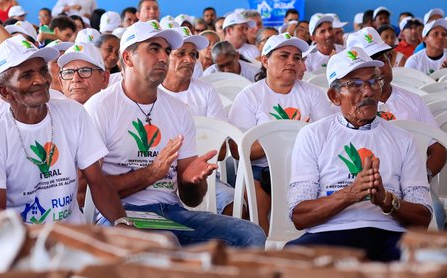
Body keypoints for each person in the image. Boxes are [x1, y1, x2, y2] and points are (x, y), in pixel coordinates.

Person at [85, 21, 265, 246]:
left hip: (171, 212)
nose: (163, 57)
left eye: (167, 51)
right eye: (153, 49)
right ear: (128, 58)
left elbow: (191, 198)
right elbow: (90, 188)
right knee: (166, 242)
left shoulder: (178, 110)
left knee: (251, 235)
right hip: (120, 215)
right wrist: (151, 173)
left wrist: (193, 181)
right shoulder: (100, 107)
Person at [287, 48, 431, 261]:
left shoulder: (403, 139)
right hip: (329, 234)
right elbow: (300, 216)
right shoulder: (313, 135)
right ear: (334, 96)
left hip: (391, 234)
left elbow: (423, 218)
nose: (368, 92)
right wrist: (350, 194)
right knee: (292, 258)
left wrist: (386, 200)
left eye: (374, 82)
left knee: (434, 259)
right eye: (354, 84)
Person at [0, 36, 125, 225]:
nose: (41, 80)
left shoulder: (73, 113)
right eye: (27, 75)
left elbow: (98, 183)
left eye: (43, 70)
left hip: (73, 236)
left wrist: (122, 222)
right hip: (24, 241)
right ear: (4, 92)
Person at [229, 33, 336, 234]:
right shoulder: (249, 96)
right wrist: (285, 138)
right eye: (284, 56)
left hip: (306, 169)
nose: (291, 62)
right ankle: (265, 245)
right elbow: (238, 150)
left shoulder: (312, 94)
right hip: (262, 171)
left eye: (297, 58)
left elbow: (328, 140)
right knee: (252, 187)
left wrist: (281, 136)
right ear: (265, 61)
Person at [348, 26, 447, 229]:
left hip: (411, 186)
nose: (378, 69)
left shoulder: (413, 101)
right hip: (354, 186)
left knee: (434, 211)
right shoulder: (344, 106)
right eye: (368, 63)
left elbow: (438, 149)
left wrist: (422, 177)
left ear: (391, 61)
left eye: (382, 60)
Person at [160, 27, 232, 215]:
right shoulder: (152, 91)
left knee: (233, 202)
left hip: (202, 176)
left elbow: (221, 151)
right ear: (165, 56)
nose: (189, 60)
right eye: (181, 53)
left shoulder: (207, 92)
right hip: (158, 178)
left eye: (193, 54)